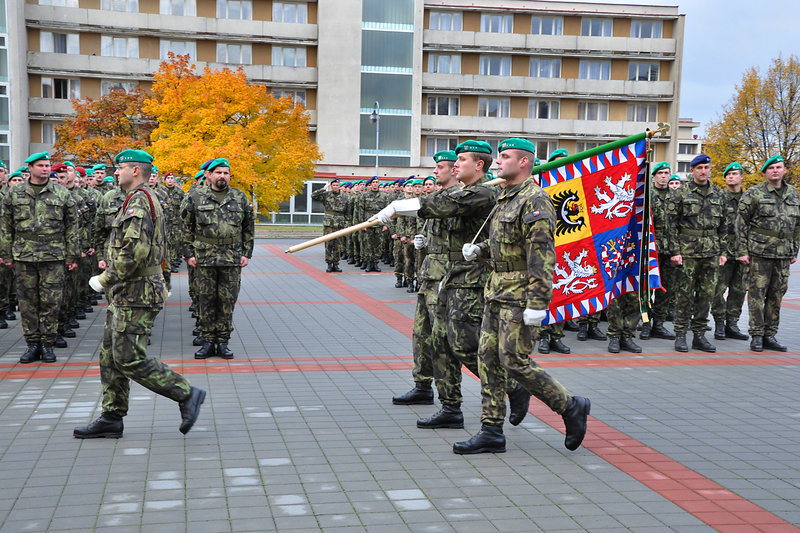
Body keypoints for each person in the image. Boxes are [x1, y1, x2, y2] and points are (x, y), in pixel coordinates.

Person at [456, 138, 590, 454]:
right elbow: (506, 244)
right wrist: (480, 250)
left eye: (505, 156)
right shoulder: (504, 197)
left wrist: (538, 303)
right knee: (487, 358)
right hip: (496, 290)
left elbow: (542, 256)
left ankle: (570, 405)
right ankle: (491, 430)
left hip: (520, 296)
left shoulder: (535, 201)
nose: (498, 162)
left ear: (524, 163)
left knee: (513, 360)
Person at [74, 149, 205, 438]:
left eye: (120, 168)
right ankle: (112, 416)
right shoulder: (135, 199)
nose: (115, 172)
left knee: (129, 357)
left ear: (135, 171)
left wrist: (104, 279)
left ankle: (186, 393)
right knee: (110, 354)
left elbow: (135, 252)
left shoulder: (140, 201)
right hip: (128, 291)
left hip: (138, 292)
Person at [0, 152, 79, 364]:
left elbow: (72, 226)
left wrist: (72, 254)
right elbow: (6, 226)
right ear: (30, 168)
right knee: (27, 303)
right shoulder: (14, 193)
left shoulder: (61, 193)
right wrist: (6, 253)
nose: (45, 169)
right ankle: (32, 344)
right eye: (41, 165)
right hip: (24, 256)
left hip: (53, 255)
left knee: (51, 302)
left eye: (47, 165)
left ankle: (47, 343)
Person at [182, 158, 255, 359]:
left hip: (231, 258)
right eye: (219, 172)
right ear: (209, 175)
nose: (222, 176)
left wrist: (246, 253)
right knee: (205, 300)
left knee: (227, 301)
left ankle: (222, 341)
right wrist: (188, 254)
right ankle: (207, 341)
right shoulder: (195, 197)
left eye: (226, 173)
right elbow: (186, 228)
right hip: (204, 257)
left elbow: (248, 227)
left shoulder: (239, 197)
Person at [736, 155, 800, 352]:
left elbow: (797, 225)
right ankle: (756, 334)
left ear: (784, 171)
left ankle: (770, 334)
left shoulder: (793, 194)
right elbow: (741, 223)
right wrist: (742, 251)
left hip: (782, 254)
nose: (775, 171)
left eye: (779, 167)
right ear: (765, 172)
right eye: (771, 168)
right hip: (759, 252)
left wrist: (794, 249)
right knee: (757, 294)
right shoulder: (754, 194)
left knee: (777, 295)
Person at [666, 154, 729, 353]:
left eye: (707, 167)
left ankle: (699, 335)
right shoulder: (680, 193)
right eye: (699, 167)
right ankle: (680, 335)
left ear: (711, 170)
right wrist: (675, 251)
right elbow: (671, 225)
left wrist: (723, 251)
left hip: (711, 253)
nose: (703, 171)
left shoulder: (719, 195)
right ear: (692, 170)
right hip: (687, 253)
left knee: (706, 295)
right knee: (684, 295)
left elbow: (725, 227)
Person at [711, 162, 749, 341]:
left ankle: (732, 324)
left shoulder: (750, 199)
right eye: (728, 174)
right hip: (722, 251)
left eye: (735, 174)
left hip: (743, 251)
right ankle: (720, 322)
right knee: (717, 289)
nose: (731, 177)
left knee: (739, 290)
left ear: (742, 177)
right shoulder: (718, 198)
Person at [643, 161, 676, 340]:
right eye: (660, 173)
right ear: (654, 176)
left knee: (666, 289)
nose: (664, 176)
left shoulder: (676, 197)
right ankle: (646, 323)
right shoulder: (646, 196)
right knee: (648, 289)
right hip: (650, 251)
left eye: (666, 173)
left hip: (670, 250)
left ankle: (659, 324)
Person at [311, 178, 348, 272]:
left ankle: (336, 264)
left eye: (337, 185)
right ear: (331, 186)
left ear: (339, 186)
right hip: (329, 224)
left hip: (340, 223)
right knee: (328, 244)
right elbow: (313, 195)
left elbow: (348, 211)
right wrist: (323, 189)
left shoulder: (344, 196)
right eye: (334, 185)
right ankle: (329, 264)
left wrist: (346, 223)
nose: (335, 187)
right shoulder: (326, 195)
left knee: (338, 245)